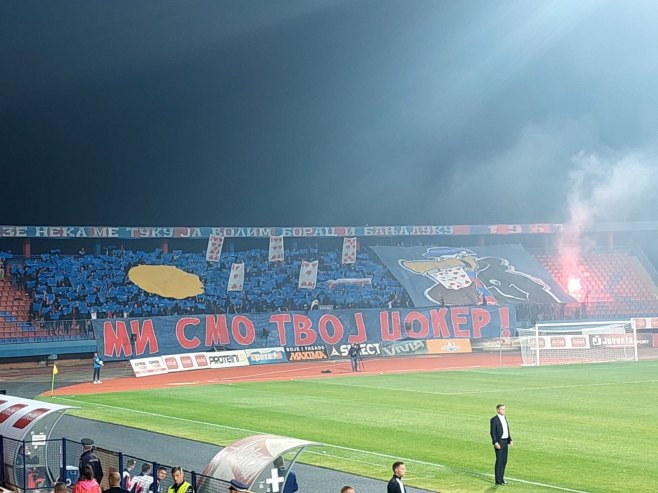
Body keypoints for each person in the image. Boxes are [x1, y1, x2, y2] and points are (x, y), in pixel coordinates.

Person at [490, 403, 513, 486]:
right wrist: (495, 442)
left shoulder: (504, 418)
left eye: (504, 409)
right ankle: (498, 480)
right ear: (497, 410)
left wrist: (510, 439)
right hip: (499, 442)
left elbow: (506, 429)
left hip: (505, 442)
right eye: (502, 409)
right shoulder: (494, 419)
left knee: (504, 460)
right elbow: (492, 432)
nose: (504, 410)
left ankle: (502, 479)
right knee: (499, 461)